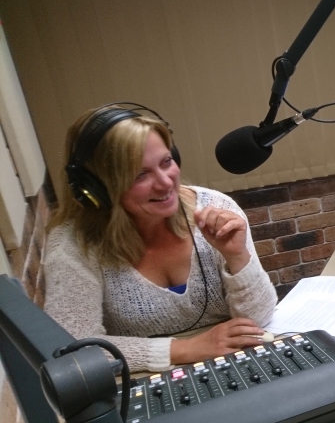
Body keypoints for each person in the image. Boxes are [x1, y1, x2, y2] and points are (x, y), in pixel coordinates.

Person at [43, 103, 277, 372]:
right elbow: (72, 349)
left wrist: (238, 257)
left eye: (166, 162)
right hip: (144, 378)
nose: (166, 183)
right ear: (97, 190)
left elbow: (258, 320)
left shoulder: (217, 208)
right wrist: (183, 349)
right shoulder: (73, 246)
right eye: (140, 175)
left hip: (233, 361)